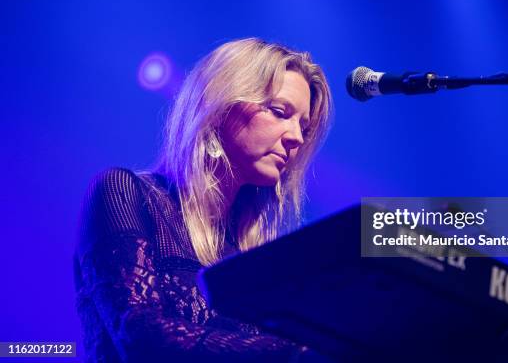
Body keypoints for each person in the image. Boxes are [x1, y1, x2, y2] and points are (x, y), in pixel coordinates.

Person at [73, 38, 333, 362]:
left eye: (304, 128)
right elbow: (139, 333)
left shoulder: (249, 251)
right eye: (280, 112)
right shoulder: (123, 192)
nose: (296, 137)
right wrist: (296, 354)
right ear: (219, 105)